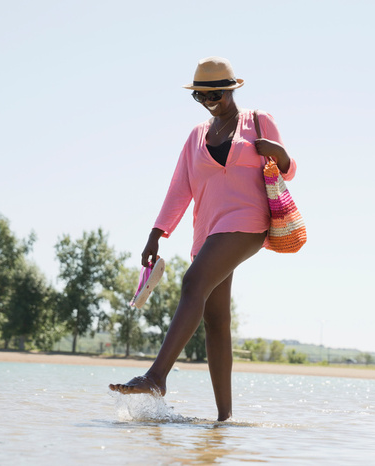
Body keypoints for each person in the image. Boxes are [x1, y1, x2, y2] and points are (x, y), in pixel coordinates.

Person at [109, 56, 297, 422]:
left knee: (193, 281)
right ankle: (224, 420)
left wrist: (280, 155)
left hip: (248, 222)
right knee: (215, 319)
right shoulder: (196, 136)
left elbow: (288, 169)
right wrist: (156, 234)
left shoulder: (258, 121)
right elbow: (180, 188)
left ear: (231, 89)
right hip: (208, 231)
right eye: (200, 95)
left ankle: (156, 377)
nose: (208, 100)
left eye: (215, 93)